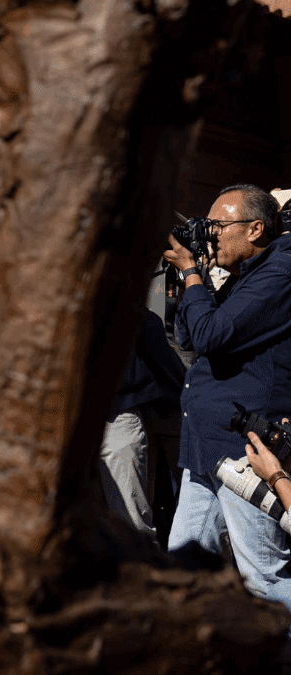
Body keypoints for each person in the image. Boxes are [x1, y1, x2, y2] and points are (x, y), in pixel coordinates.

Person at [163, 183, 291, 609]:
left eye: (219, 224)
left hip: (246, 454)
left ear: (255, 229)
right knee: (183, 572)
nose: (210, 233)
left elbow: (212, 335)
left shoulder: (280, 271)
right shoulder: (243, 276)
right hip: (205, 447)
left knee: (264, 577)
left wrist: (191, 272)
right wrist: (190, 275)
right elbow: (190, 335)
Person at [98, 309, 185, 544]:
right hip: (69, 422)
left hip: (118, 414)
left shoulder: (127, 313)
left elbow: (167, 369)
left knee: (132, 530)